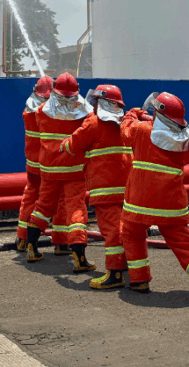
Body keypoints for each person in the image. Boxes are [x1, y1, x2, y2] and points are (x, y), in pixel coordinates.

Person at [118, 92, 189, 305]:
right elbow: (187, 156)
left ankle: (139, 280)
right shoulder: (185, 141)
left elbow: (125, 131)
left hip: (140, 203)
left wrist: (131, 114)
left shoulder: (142, 130)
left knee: (132, 235)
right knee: (184, 244)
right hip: (172, 205)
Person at [59, 85, 133, 289]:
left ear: (99, 102)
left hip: (105, 187)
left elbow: (75, 144)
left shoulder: (93, 122)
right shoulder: (126, 121)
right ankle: (129, 266)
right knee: (127, 226)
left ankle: (115, 274)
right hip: (127, 186)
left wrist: (63, 144)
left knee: (112, 230)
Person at [25, 73, 94, 272]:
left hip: (49, 169)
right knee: (76, 209)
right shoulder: (86, 114)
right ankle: (79, 258)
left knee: (43, 206)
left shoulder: (41, 112)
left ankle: (31, 248)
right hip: (74, 170)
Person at [17, 75, 52, 251]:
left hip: (32, 164)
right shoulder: (49, 114)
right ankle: (60, 240)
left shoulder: (28, 110)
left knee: (30, 197)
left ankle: (22, 238)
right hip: (47, 165)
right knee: (51, 200)